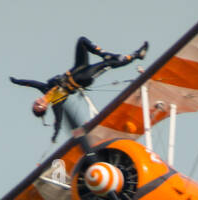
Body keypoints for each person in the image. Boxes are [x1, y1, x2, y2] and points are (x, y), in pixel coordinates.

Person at [11, 37, 148, 141]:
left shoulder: (45, 89)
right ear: (44, 108)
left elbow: (30, 83)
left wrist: (16, 81)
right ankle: (136, 55)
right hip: (83, 78)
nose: (38, 103)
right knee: (110, 63)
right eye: (39, 107)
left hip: (78, 68)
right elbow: (58, 120)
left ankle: (105, 54)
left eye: (35, 104)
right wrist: (55, 134)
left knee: (82, 41)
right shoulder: (57, 103)